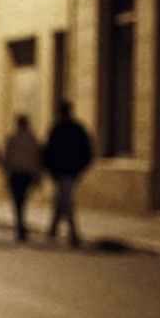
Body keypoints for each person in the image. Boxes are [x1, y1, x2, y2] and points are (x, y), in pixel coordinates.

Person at [42, 100, 93, 248]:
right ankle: (54, 228)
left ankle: (72, 232)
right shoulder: (76, 129)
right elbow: (87, 150)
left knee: (66, 200)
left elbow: (49, 151)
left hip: (64, 171)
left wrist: (51, 169)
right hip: (70, 171)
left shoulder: (57, 129)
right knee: (62, 198)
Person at [2, 115, 42, 242]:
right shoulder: (31, 139)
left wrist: (7, 173)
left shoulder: (12, 139)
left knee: (18, 202)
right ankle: (21, 225)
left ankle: (20, 225)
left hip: (16, 175)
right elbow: (36, 160)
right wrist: (36, 175)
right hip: (26, 175)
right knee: (23, 200)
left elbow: (6, 159)